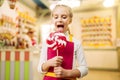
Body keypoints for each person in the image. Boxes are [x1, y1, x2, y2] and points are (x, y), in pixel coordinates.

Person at [38, 4, 88, 80]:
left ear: (70, 20)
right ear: (52, 20)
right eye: (56, 17)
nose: (59, 20)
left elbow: (84, 69)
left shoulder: (76, 43)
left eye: (64, 17)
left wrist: (67, 73)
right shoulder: (47, 42)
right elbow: (40, 68)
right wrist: (49, 63)